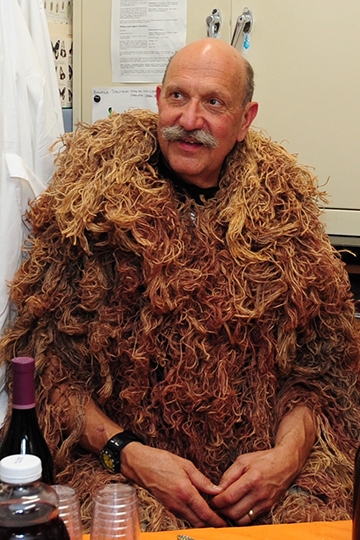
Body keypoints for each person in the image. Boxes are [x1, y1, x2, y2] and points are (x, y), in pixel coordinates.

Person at [1, 38, 360, 533]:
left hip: (265, 486)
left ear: (245, 119)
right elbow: (49, 377)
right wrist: (130, 455)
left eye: (213, 102)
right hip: (123, 477)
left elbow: (324, 374)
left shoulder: (285, 220)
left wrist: (286, 458)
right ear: (157, 98)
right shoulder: (92, 209)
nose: (189, 120)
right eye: (177, 96)